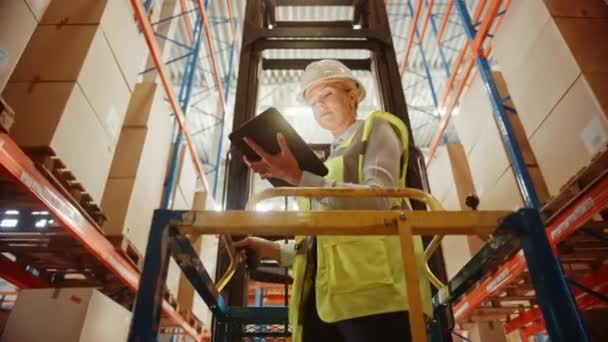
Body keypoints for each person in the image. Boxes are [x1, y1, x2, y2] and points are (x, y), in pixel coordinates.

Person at [234, 59, 431, 342]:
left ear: (352, 95)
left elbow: (380, 201)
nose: (320, 106)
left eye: (326, 94)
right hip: (326, 302)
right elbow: (323, 243)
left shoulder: (375, 129)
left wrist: (299, 177)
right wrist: (271, 250)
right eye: (313, 102)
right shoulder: (326, 165)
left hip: (377, 298)